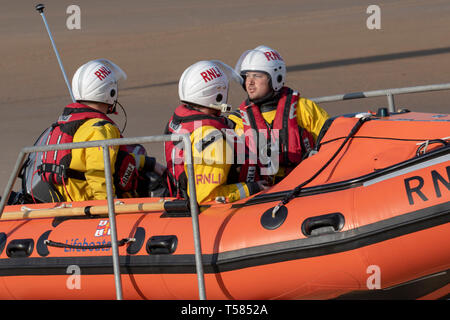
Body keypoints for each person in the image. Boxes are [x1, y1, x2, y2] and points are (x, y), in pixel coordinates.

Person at [20, 59, 164, 203]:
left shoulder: (67, 122)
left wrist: (149, 163)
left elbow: (109, 159)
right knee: (155, 184)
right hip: (85, 203)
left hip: (64, 197)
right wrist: (109, 206)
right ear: (111, 92)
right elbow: (99, 174)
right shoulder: (101, 129)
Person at [164, 60, 268, 204]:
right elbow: (206, 198)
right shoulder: (214, 141)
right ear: (217, 94)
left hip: (179, 198)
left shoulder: (180, 119)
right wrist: (252, 187)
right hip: (208, 216)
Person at [228, 45, 330, 184]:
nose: (249, 82)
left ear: (276, 78)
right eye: (246, 76)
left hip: (304, 185)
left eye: (257, 76)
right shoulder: (237, 120)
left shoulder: (304, 109)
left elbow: (332, 142)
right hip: (259, 193)